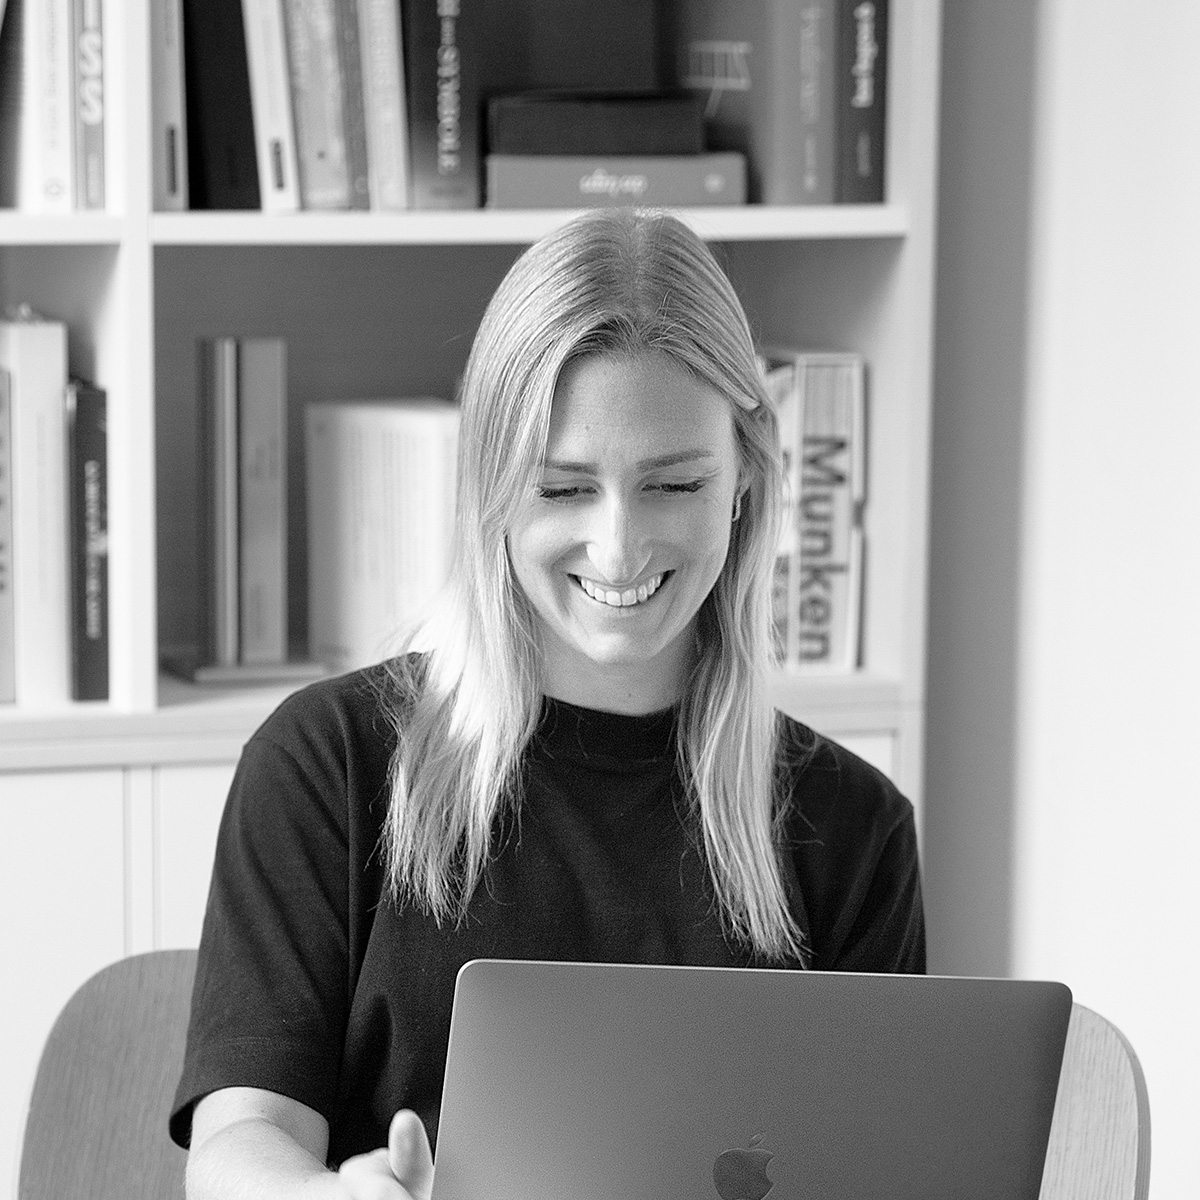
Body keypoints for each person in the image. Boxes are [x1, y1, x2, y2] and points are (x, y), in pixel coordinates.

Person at [171, 208, 925, 1200]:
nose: (619, 548)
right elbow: (241, 1138)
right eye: (565, 489)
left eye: (673, 484)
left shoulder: (854, 829)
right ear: (491, 487)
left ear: (745, 476)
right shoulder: (326, 765)